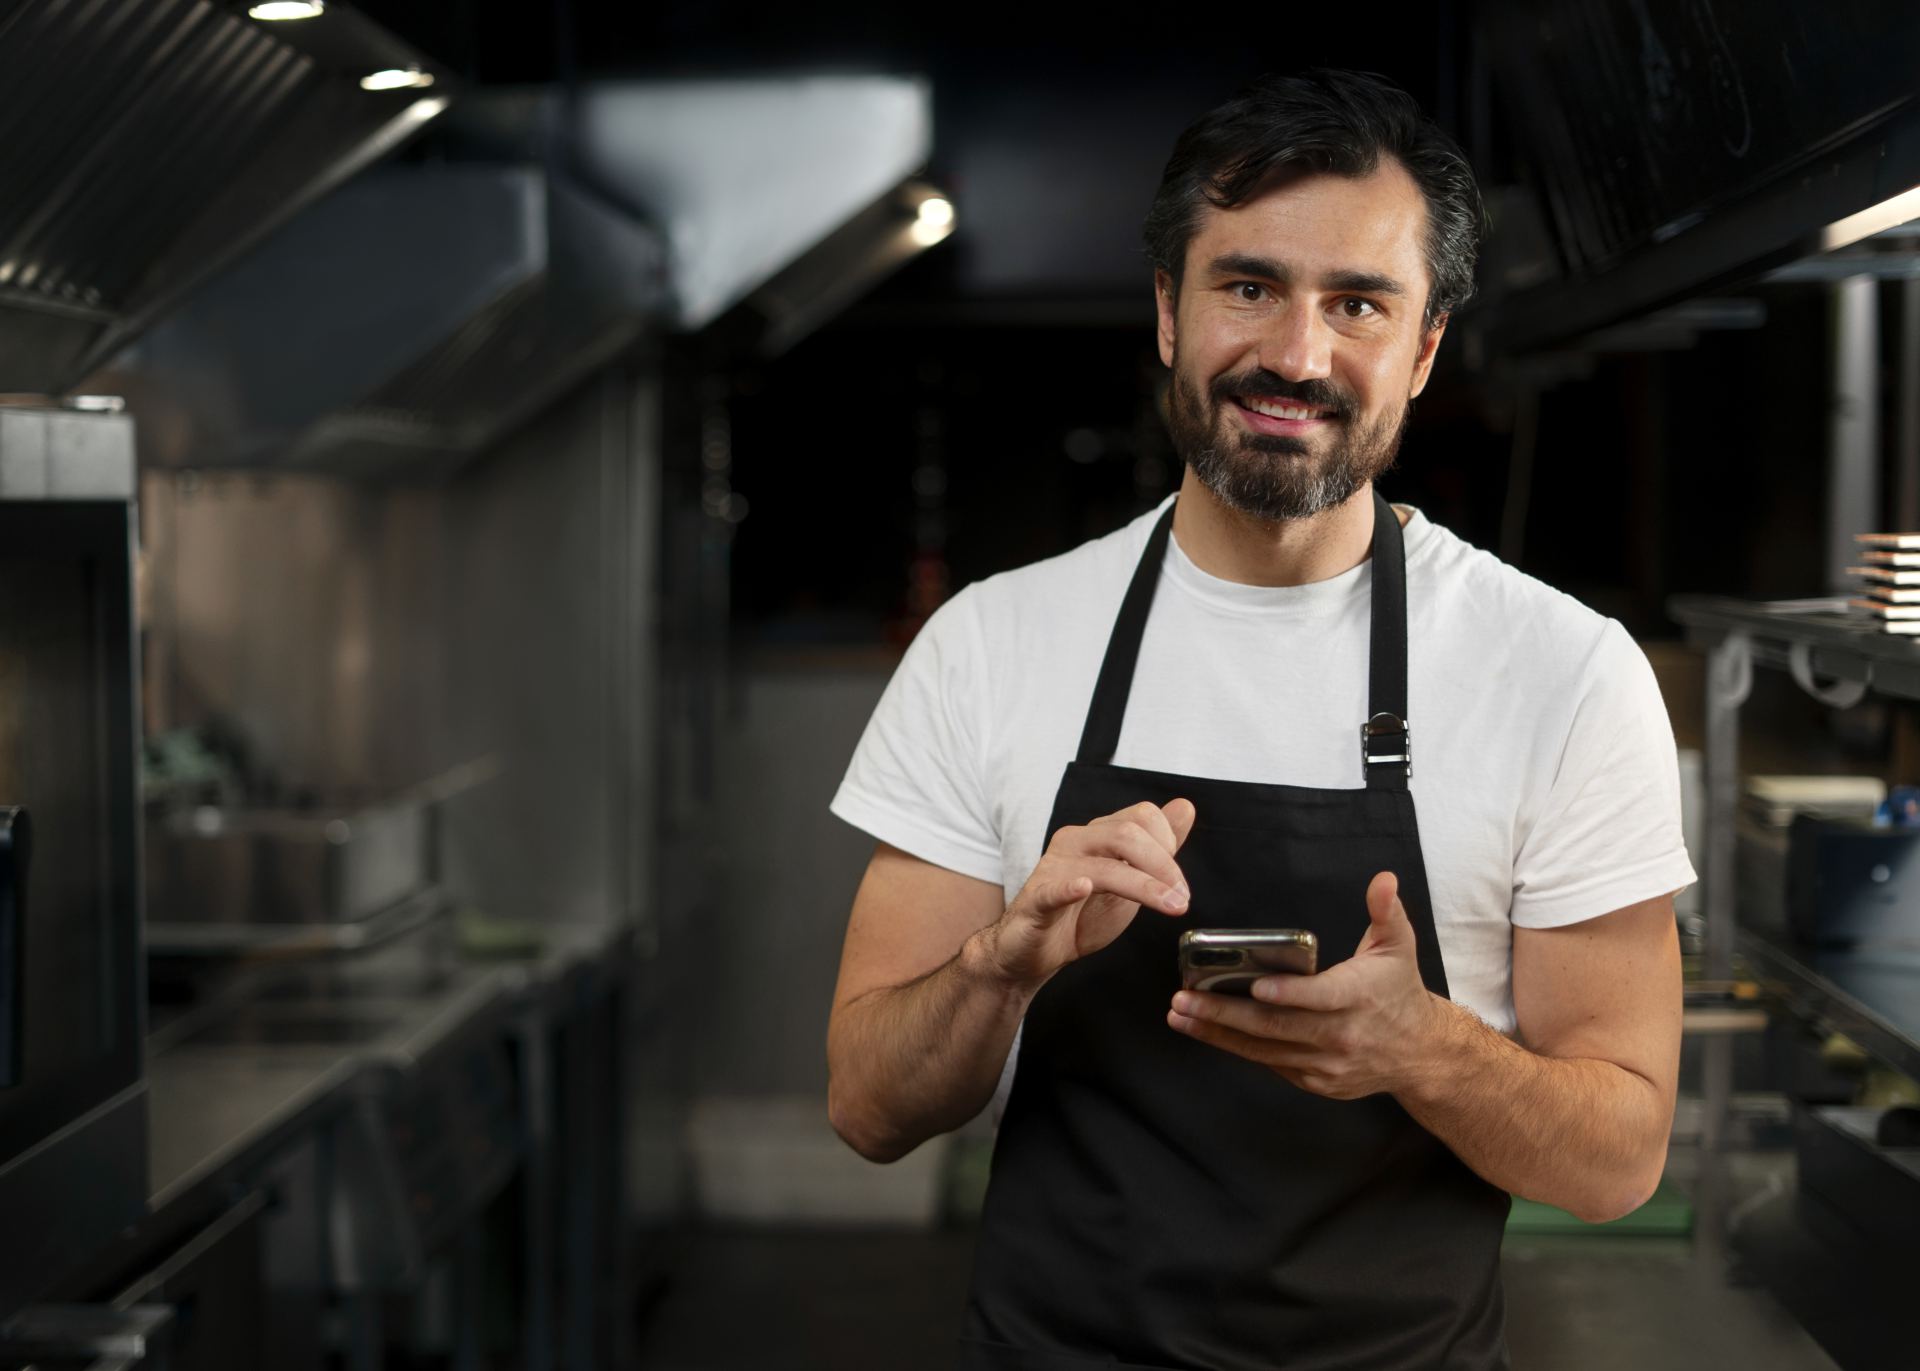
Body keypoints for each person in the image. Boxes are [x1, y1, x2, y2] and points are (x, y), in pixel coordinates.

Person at [825, 67, 1694, 1371]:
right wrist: (1003, 962)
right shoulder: (993, 647)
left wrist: (1426, 1050)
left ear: (1427, 345)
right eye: (1249, 286)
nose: (1297, 354)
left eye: (1358, 302)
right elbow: (867, 1107)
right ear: (1170, 311)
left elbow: (1618, 1160)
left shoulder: (1564, 673)